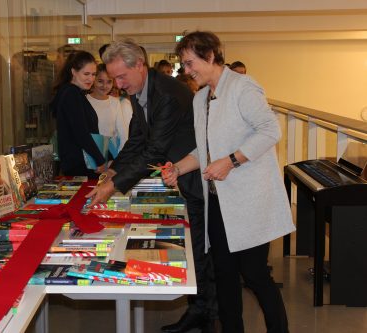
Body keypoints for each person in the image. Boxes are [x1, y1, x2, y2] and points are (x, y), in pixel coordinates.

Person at [165, 31, 295, 333]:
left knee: (254, 274)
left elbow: (269, 131)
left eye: (190, 63)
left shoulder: (242, 88)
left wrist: (231, 160)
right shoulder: (200, 98)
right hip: (219, 202)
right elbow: (203, 147)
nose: (186, 71)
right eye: (184, 65)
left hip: (248, 201)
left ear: (210, 56)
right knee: (223, 273)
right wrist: (179, 169)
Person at [87, 39, 218, 333]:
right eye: (114, 77)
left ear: (140, 66)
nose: (118, 84)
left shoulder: (167, 95)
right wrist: (113, 170)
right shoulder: (138, 89)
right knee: (196, 247)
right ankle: (201, 310)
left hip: (194, 176)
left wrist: (114, 186)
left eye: (122, 77)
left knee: (200, 250)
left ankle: (205, 314)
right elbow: (137, 138)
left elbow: (154, 150)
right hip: (178, 174)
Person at [50, 51, 106, 178]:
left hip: (80, 161)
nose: (91, 79)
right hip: (80, 163)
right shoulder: (71, 94)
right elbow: (81, 132)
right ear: (74, 72)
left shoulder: (75, 93)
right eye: (86, 74)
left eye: (93, 74)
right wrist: (100, 160)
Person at [87, 63, 130, 154]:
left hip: (110, 153)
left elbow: (123, 134)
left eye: (109, 81)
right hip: (88, 153)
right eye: (100, 81)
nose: (105, 86)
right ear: (93, 80)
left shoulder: (115, 102)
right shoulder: (84, 100)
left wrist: (119, 159)